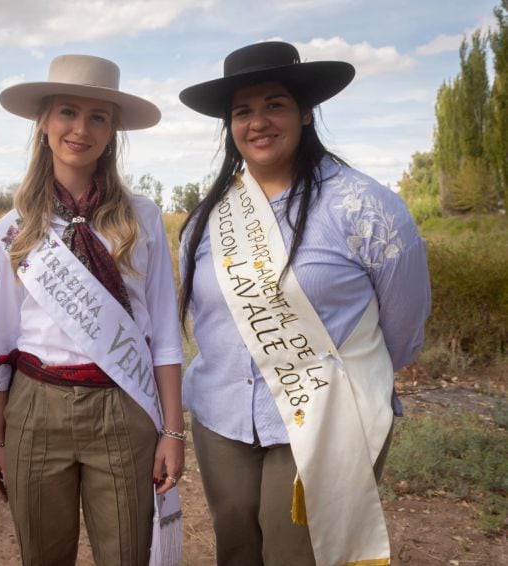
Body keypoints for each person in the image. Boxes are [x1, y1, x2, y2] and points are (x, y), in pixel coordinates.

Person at [177, 41, 430, 566]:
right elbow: (203, 318)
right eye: (242, 110)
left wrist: (350, 383)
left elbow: (402, 329)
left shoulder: (366, 208)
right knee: (237, 547)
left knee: (297, 554)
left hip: (326, 416)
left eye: (275, 104)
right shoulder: (208, 218)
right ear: (230, 125)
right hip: (221, 418)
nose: (258, 122)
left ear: (306, 113)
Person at [0, 54, 185, 566]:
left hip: (122, 406)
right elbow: (3, 338)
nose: (81, 128)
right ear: (44, 123)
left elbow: (163, 328)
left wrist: (173, 431)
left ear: (113, 131)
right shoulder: (18, 225)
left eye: (99, 116)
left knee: (127, 555)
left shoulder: (141, 218)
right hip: (35, 404)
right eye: (68, 111)